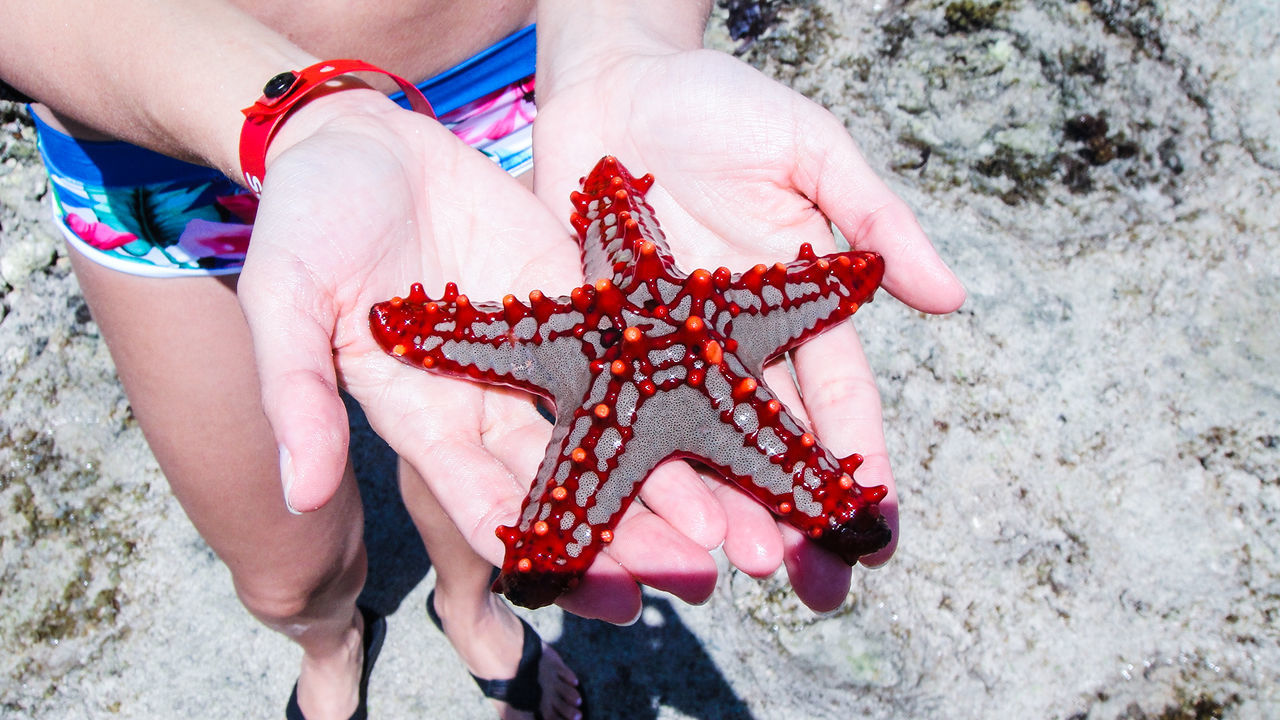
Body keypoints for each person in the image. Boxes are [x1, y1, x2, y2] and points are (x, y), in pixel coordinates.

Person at [0, 2, 965, 719]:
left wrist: (627, 43)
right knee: (286, 577)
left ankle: (469, 611)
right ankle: (328, 643)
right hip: (151, 141)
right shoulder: (635, 338)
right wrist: (308, 120)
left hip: (521, 79)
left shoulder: (625, 313)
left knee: (474, 476)